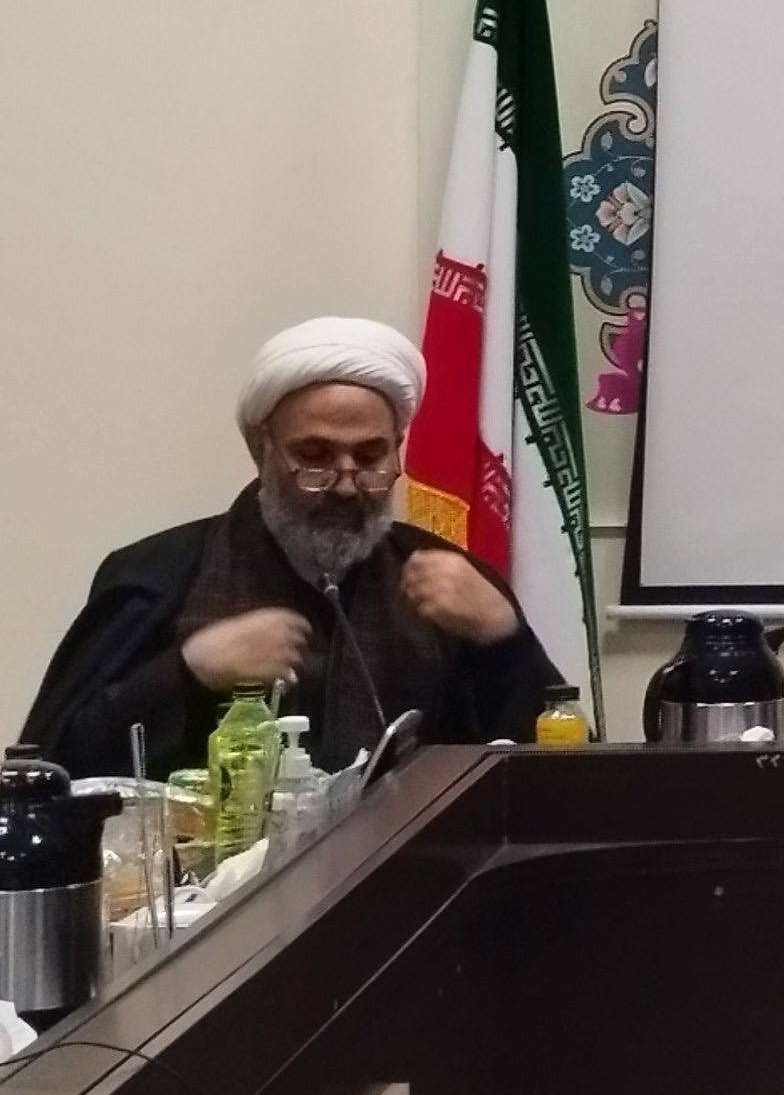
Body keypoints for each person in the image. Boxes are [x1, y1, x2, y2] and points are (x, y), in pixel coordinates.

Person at [18, 318, 562, 777]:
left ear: (397, 448)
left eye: (370, 457)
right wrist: (185, 673)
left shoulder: (447, 577)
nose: (346, 485)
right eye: (315, 457)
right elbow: (45, 771)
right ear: (261, 450)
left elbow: (558, 771)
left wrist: (505, 641)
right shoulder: (157, 575)